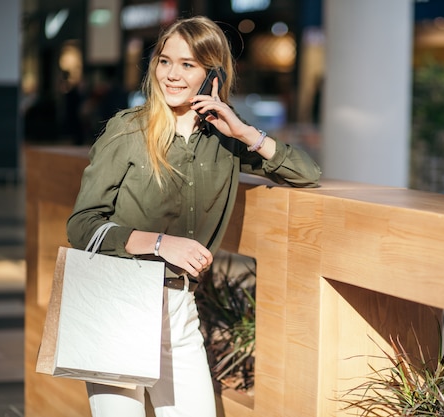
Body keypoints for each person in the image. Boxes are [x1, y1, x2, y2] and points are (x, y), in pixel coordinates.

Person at [66, 15, 321, 417]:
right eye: (165, 61)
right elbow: (82, 225)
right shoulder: (127, 131)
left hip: (179, 307)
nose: (171, 74)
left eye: (188, 65)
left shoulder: (225, 139)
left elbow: (308, 174)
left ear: (213, 74)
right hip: (119, 302)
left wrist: (244, 132)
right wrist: (162, 243)